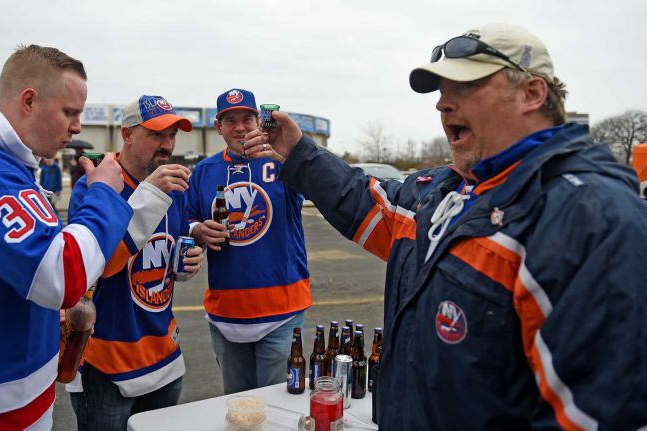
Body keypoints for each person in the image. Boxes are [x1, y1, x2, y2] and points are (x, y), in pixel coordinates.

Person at [243, 24, 647, 430]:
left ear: (532, 93)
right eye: (441, 90)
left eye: (465, 87)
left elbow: (592, 415)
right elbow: (365, 203)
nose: (442, 104)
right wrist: (300, 153)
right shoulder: (447, 191)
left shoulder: (591, 217)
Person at [0, 45, 171, 430]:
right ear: (28, 101)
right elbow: (63, 274)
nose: (76, 127)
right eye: (69, 112)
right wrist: (105, 193)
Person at [67, 95, 203, 429]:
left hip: (164, 357)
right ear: (127, 135)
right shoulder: (97, 186)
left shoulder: (175, 185)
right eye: (157, 134)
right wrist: (149, 194)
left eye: (172, 135)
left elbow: (164, 252)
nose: (167, 145)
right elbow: (97, 265)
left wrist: (184, 264)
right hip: (107, 367)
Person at [186, 88, 311, 394]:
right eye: (230, 120)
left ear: (259, 120)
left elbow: (321, 183)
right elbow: (186, 222)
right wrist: (198, 231)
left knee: (278, 408)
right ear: (218, 127)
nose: (239, 127)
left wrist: (291, 153)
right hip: (225, 315)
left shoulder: (281, 161)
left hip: (281, 313)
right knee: (239, 407)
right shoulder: (204, 171)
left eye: (246, 118)